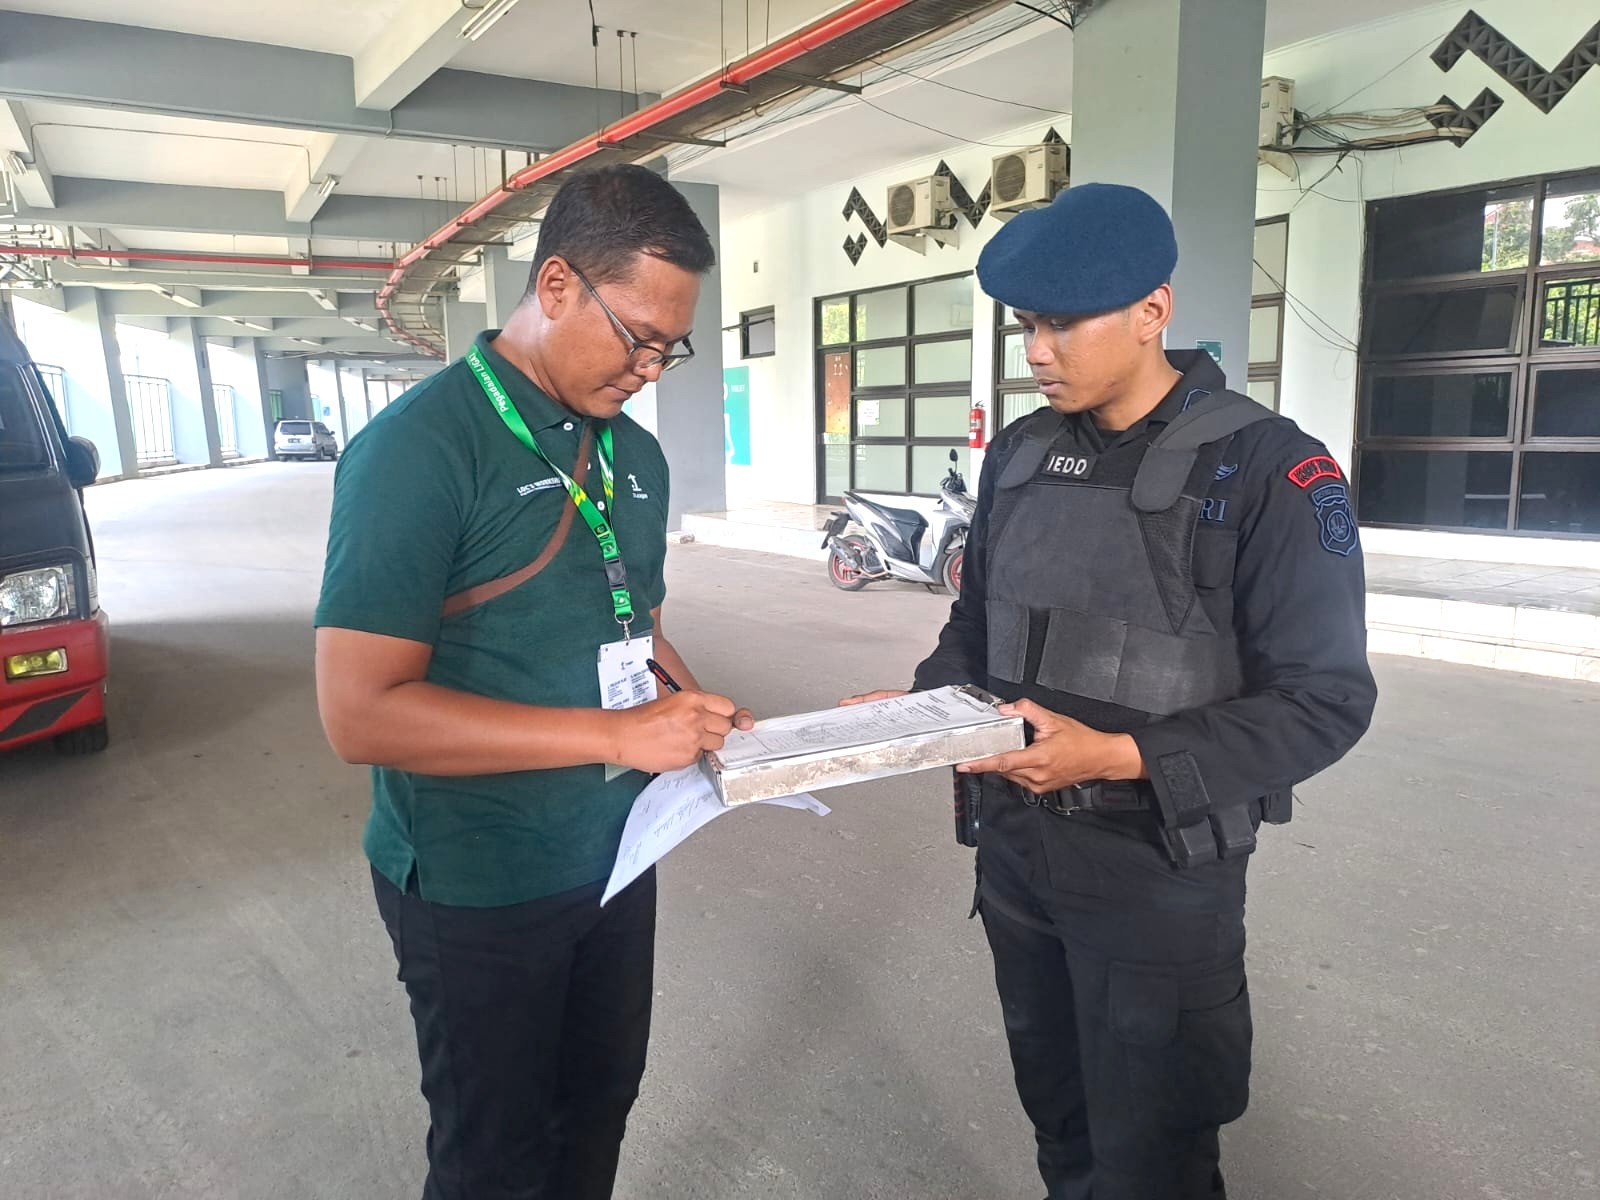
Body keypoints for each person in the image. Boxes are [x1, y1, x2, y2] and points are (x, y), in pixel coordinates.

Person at [847, 183, 1377, 1199]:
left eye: (1062, 324)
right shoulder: (1022, 452)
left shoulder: (1270, 470)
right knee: (1063, 1127)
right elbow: (975, 631)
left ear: (1152, 310)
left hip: (1156, 873)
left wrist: (1118, 756)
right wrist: (924, 712)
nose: (1037, 351)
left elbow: (1324, 700)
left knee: (1154, 1159)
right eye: (1026, 326)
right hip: (1016, 851)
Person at [314, 164, 751, 1200]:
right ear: (555, 286)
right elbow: (357, 713)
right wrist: (613, 739)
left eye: (670, 346)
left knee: (598, 1103)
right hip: (478, 881)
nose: (651, 367)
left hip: (617, 856)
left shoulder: (634, 456)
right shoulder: (419, 451)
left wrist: (693, 706)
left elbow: (633, 618)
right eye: (636, 334)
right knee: (495, 1154)